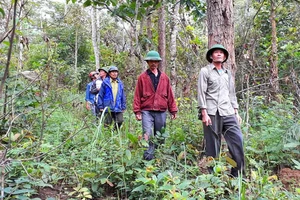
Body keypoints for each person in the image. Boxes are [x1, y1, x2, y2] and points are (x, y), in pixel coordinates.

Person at [197, 44, 245, 177]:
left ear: (224, 57)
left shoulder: (227, 73)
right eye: (216, 52)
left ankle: (237, 175)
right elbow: (201, 93)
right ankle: (213, 177)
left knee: (238, 140)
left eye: (221, 53)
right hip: (211, 112)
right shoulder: (205, 71)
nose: (219, 54)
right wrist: (204, 113)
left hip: (227, 111)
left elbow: (231, 93)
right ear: (211, 56)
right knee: (213, 146)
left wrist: (236, 111)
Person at [133, 50, 178, 161]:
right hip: (146, 110)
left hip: (161, 110)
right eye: (151, 61)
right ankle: (148, 157)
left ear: (158, 62)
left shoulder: (164, 78)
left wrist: (173, 110)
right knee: (147, 133)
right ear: (148, 62)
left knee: (160, 134)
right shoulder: (142, 77)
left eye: (155, 61)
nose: (153, 63)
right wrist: (137, 111)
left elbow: (170, 95)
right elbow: (137, 94)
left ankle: (158, 156)